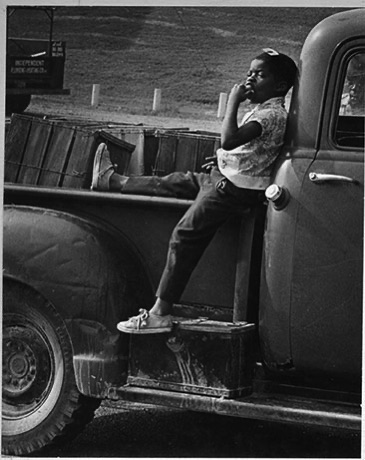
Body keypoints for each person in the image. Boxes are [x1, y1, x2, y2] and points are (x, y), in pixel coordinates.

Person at [91, 48, 298, 334]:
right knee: (177, 181)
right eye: (249, 72)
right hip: (226, 178)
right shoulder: (266, 109)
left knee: (184, 236)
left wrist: (233, 103)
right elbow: (252, 150)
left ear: (280, 87)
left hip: (232, 189)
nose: (250, 79)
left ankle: (160, 312)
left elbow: (228, 140)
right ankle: (114, 181)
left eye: (259, 75)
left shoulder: (272, 114)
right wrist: (225, 160)